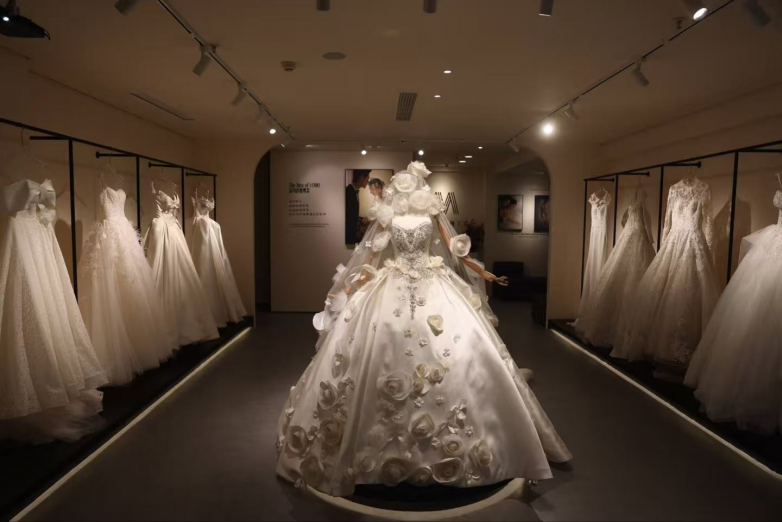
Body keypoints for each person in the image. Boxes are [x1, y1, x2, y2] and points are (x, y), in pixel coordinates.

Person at [276, 161, 571, 496]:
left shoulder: (431, 213)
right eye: (404, 184)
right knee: (377, 346)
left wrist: (484, 273)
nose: (408, 187)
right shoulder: (388, 217)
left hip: (434, 282)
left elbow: (455, 250)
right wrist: (349, 287)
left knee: (460, 348)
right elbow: (371, 256)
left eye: (411, 183)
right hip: (393, 282)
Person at [345, 169, 370, 245]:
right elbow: (348, 217)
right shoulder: (348, 192)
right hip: (349, 234)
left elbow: (352, 214)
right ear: (362, 177)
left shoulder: (354, 191)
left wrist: (362, 219)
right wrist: (356, 232)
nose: (368, 181)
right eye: (367, 178)